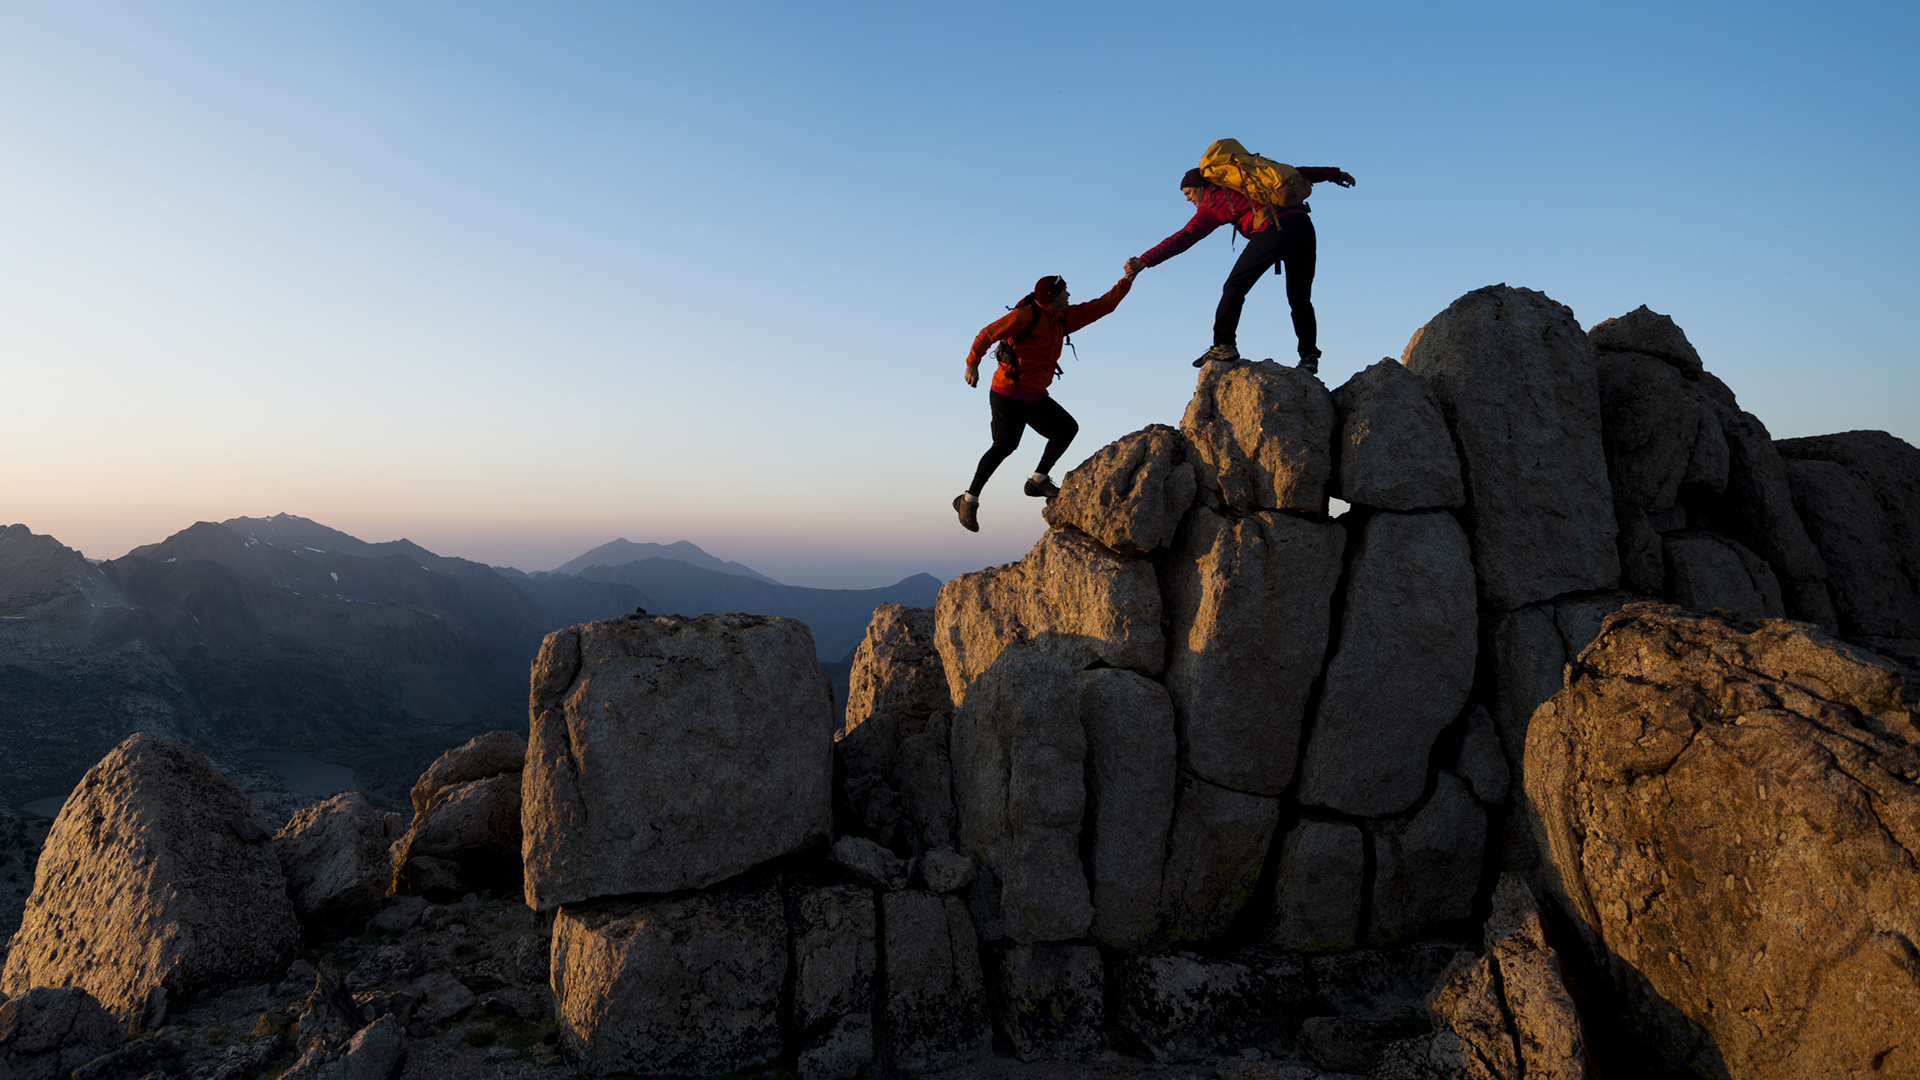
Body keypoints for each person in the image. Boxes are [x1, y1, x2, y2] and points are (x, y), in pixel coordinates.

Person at [1125, 164, 1355, 375]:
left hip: (1274, 229)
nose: (1187, 199)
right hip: (1303, 226)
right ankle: (1309, 356)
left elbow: (1185, 237)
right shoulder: (1250, 181)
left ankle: (1223, 345)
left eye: (1187, 193)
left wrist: (1145, 260)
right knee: (1300, 298)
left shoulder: (1215, 202)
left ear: (1202, 187)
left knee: (1234, 287)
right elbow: (1298, 173)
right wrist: (1335, 174)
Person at [952, 270, 1136, 532]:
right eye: (1065, 292)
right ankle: (968, 500)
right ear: (1052, 298)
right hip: (1007, 393)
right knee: (1005, 446)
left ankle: (1037, 481)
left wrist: (1127, 280)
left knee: (1066, 428)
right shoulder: (1025, 316)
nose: (1070, 295)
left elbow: (1102, 306)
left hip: (1034, 395)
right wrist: (972, 364)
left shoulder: (1061, 319)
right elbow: (986, 334)